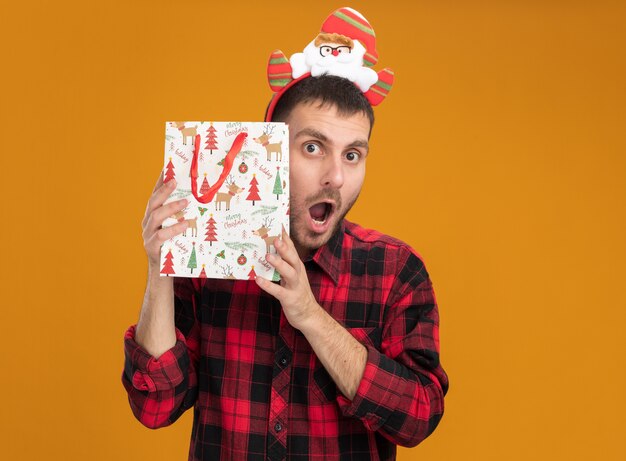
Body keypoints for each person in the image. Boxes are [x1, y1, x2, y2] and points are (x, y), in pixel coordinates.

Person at [122, 8, 448, 461]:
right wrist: (161, 268)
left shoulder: (396, 270)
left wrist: (310, 315)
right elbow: (155, 406)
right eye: (312, 147)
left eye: (353, 155)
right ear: (270, 148)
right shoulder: (209, 255)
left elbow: (418, 418)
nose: (335, 176)